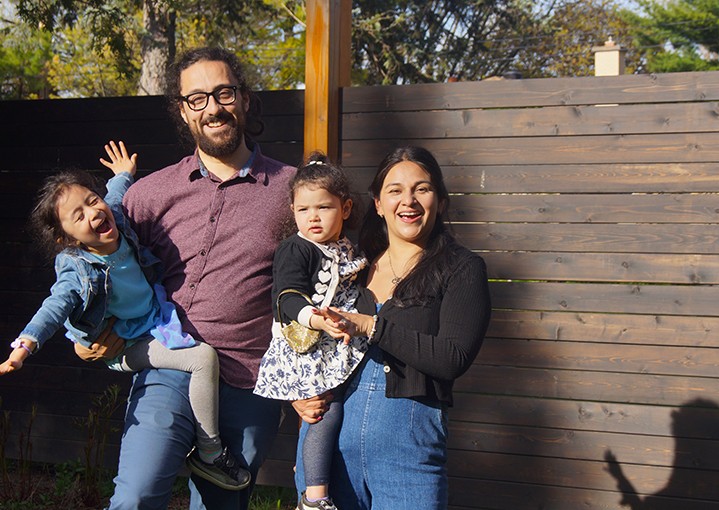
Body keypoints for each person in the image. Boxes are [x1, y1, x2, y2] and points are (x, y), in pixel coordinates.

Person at [103, 47, 295, 510]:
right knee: (135, 496)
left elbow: (325, 276)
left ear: (244, 100)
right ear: (184, 112)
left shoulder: (292, 191)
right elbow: (102, 263)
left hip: (250, 383)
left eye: (223, 93)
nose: (212, 108)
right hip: (169, 365)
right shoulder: (149, 194)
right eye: (197, 99)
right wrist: (90, 332)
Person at [0, 141, 250, 491]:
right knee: (203, 358)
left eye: (92, 200)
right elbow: (53, 308)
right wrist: (25, 345)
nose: (93, 212)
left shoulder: (112, 216)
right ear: (64, 238)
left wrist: (123, 174)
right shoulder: (76, 269)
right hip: (126, 344)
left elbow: (114, 194)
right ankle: (209, 451)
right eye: (79, 215)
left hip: (152, 318)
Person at [293, 146, 492, 509]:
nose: (409, 200)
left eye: (422, 188)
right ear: (379, 203)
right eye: (395, 190)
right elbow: (302, 337)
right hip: (328, 457)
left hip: (407, 459)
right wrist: (300, 394)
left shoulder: (462, 269)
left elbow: (453, 357)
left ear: (441, 201)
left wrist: (372, 326)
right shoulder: (353, 265)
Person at [254, 152, 368, 510]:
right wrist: (317, 319)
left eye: (324, 207)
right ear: (292, 211)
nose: (313, 217)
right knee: (323, 411)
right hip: (304, 345)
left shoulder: (347, 249)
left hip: (338, 341)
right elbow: (286, 296)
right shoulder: (295, 249)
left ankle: (309, 469)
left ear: (346, 208)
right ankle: (314, 497)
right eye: (303, 210)